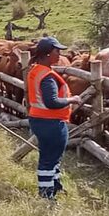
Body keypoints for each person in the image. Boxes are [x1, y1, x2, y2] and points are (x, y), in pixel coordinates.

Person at [26, 37, 82, 200]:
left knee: (49, 155)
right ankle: (46, 196)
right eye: (57, 51)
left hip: (39, 119)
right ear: (49, 54)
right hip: (51, 122)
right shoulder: (47, 76)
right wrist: (72, 99)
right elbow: (52, 102)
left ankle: (55, 185)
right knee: (49, 159)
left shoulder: (36, 70)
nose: (60, 55)